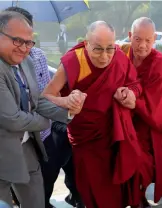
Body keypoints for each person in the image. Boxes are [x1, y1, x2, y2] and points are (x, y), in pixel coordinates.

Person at [42, 21, 142, 208]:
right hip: (86, 138)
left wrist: (129, 94)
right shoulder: (73, 61)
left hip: (115, 134)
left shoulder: (119, 57)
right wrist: (66, 101)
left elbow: (135, 85)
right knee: (92, 188)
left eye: (109, 49)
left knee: (115, 188)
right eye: (97, 49)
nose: (105, 56)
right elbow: (46, 96)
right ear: (86, 43)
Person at [0, 11, 85, 208]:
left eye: (29, 42)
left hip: (27, 148)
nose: (23, 48)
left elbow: (37, 101)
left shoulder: (26, 61)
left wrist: (69, 110)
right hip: (2, 154)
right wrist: (46, 122)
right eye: (17, 41)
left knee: (37, 202)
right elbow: (12, 118)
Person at [120, 17, 162, 206]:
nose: (142, 46)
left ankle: (139, 198)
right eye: (137, 39)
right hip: (122, 120)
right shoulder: (122, 53)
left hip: (147, 125)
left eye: (148, 41)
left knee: (141, 164)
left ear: (154, 40)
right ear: (130, 36)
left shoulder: (159, 62)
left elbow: (158, 101)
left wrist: (135, 103)